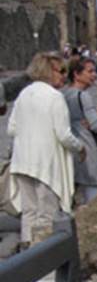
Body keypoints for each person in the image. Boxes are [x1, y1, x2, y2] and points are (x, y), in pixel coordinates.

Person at [7, 52, 84, 245]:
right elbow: (63, 134)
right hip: (45, 164)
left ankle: (28, 252)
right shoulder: (54, 97)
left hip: (23, 162)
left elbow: (11, 128)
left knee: (29, 212)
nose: (64, 76)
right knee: (47, 214)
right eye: (61, 71)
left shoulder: (24, 94)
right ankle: (43, 256)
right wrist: (80, 147)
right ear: (49, 71)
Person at [63, 58, 97, 204]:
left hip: (68, 146)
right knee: (93, 193)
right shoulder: (83, 96)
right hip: (86, 146)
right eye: (90, 71)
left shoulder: (64, 94)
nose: (94, 75)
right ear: (77, 74)